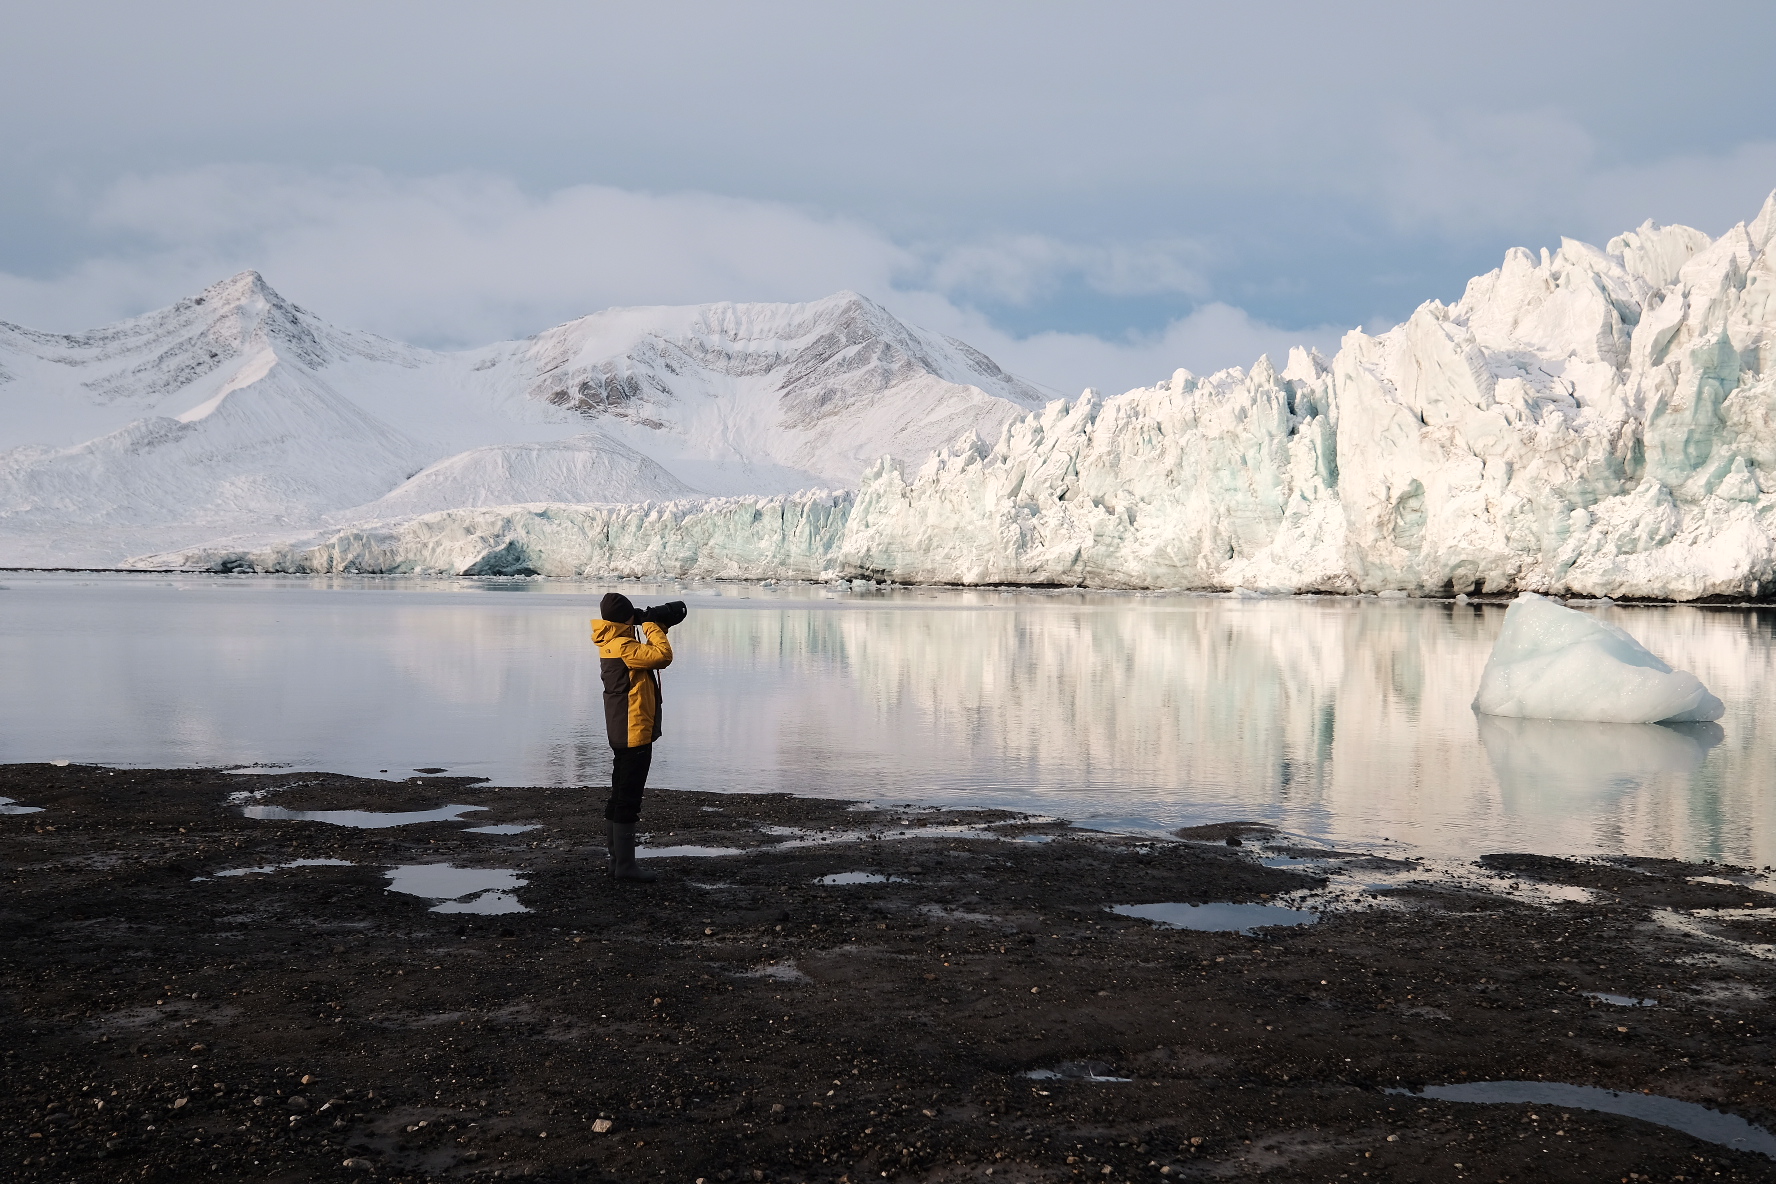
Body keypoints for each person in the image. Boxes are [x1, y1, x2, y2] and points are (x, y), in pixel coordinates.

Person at [591, 591, 679, 881]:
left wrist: (652, 625)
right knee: (629, 798)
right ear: (625, 618)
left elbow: (644, 659)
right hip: (633, 730)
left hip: (621, 729)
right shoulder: (624, 646)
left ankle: (617, 862)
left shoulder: (611, 642)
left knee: (620, 795)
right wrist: (652, 624)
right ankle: (625, 866)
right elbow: (662, 656)